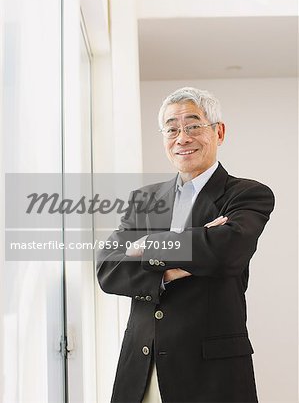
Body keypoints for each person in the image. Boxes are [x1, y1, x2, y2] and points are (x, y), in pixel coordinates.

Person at [96, 87, 275, 403]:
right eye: (172, 129)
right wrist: (171, 270)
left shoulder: (247, 194)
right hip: (142, 369)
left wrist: (146, 245)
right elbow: (108, 269)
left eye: (193, 126)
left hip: (211, 374)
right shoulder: (144, 200)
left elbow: (225, 254)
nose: (182, 138)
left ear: (218, 132)